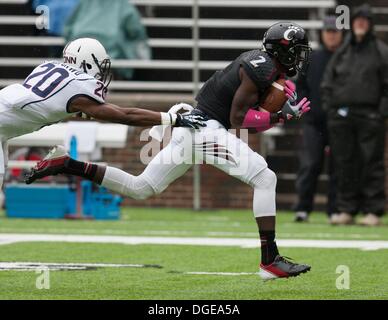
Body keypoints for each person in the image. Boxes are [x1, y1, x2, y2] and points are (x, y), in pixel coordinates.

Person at [26, 22, 313, 280]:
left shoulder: (263, 65)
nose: (300, 58)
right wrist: (279, 117)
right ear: (283, 49)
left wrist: (279, 116)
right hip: (203, 129)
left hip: (197, 128)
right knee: (265, 178)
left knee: (141, 187)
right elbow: (240, 120)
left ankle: (69, 164)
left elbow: (245, 123)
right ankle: (269, 260)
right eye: (297, 51)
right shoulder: (260, 66)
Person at [0, 37, 205, 189]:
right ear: (86, 63)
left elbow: (49, 106)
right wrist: (172, 119)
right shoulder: (78, 87)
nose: (101, 71)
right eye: (98, 65)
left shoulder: (49, 68)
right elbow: (124, 115)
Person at [321, 4, 388, 226]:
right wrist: (330, 108)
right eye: (357, 20)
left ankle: (373, 211)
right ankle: (347, 209)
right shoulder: (343, 50)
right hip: (341, 117)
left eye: (364, 20)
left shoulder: (381, 51)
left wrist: (380, 113)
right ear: (352, 23)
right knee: (344, 163)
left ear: (370, 24)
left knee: (372, 163)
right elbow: (328, 82)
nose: (360, 24)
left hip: (370, 116)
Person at [293, 15, 343, 223]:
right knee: (310, 164)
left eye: (335, 32)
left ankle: (335, 210)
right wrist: (306, 108)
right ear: (323, 34)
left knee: (338, 167)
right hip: (314, 121)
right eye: (328, 32)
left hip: (340, 122)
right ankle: (303, 208)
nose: (331, 36)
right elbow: (300, 86)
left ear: (341, 35)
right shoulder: (312, 59)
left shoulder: (345, 57)